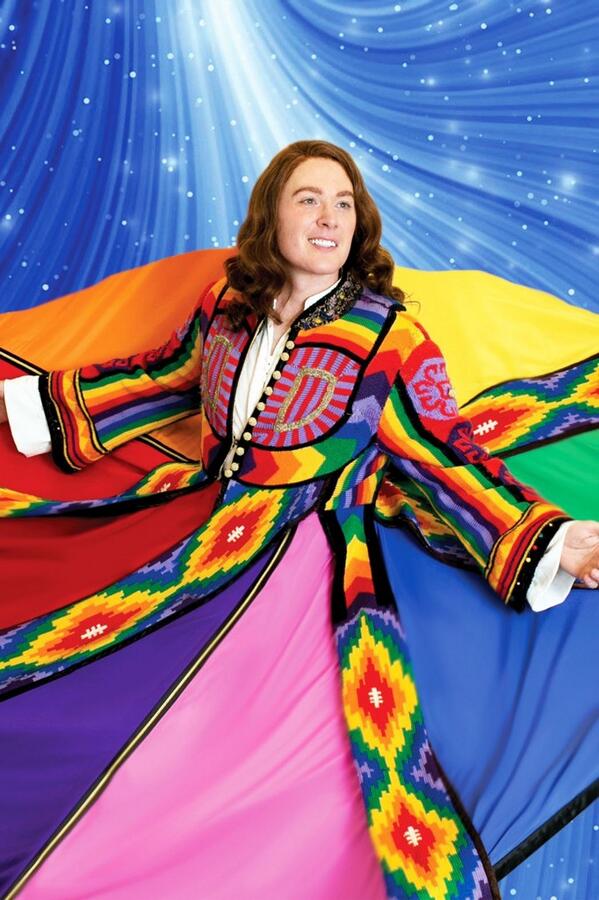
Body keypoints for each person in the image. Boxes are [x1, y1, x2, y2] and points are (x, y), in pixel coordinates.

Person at [0, 140, 597, 900]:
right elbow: (169, 376)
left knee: (212, 752)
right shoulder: (227, 303)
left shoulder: (389, 340)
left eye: (343, 204)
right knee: (50, 630)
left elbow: (444, 456)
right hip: (196, 513)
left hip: (300, 551)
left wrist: (556, 540)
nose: (328, 219)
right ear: (271, 215)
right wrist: (34, 407)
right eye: (308, 200)